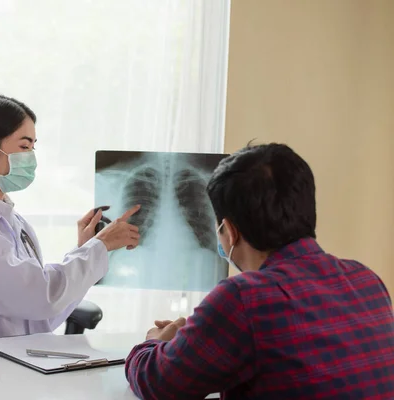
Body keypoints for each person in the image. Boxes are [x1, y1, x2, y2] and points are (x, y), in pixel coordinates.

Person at [125, 143, 394, 399]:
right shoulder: (366, 279)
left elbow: (160, 384)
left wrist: (153, 343)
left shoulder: (243, 297)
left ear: (229, 232)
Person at [0, 93, 140, 339]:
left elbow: (41, 314)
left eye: (33, 147)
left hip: (16, 359)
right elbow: (39, 296)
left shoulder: (15, 224)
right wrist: (99, 246)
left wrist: (85, 249)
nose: (31, 157)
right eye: (24, 146)